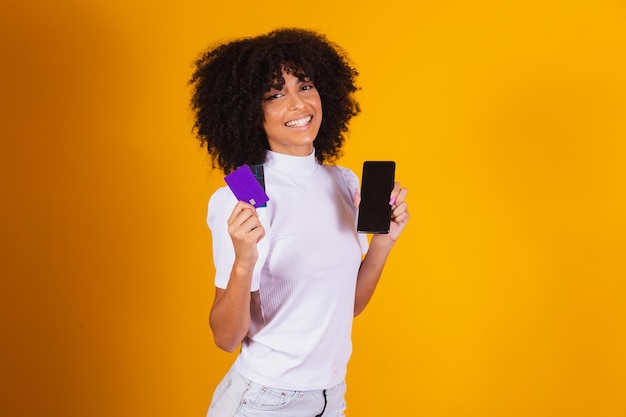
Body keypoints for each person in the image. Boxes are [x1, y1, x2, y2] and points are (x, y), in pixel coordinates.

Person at [190, 27, 409, 417]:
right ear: (249, 113)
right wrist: (243, 261)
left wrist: (383, 244)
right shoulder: (244, 192)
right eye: (275, 94)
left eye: (305, 86)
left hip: (329, 397)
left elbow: (346, 306)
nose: (297, 104)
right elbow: (225, 338)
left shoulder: (342, 182)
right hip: (265, 402)